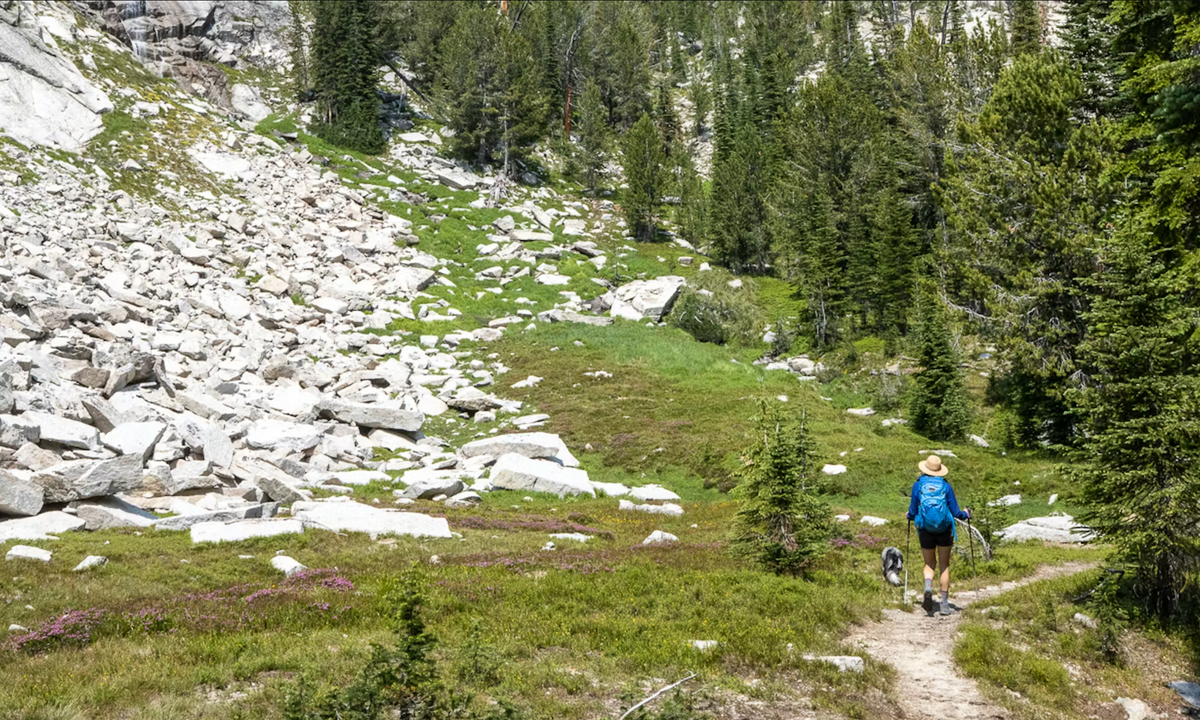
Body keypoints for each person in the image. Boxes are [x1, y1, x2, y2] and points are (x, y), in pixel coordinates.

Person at [906, 455, 971, 616]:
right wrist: (966, 514)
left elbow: (913, 511)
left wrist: (909, 515)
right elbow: (956, 512)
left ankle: (928, 587)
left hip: (925, 529)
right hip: (944, 529)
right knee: (944, 565)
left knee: (929, 563)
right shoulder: (946, 486)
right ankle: (944, 604)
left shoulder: (918, 485)